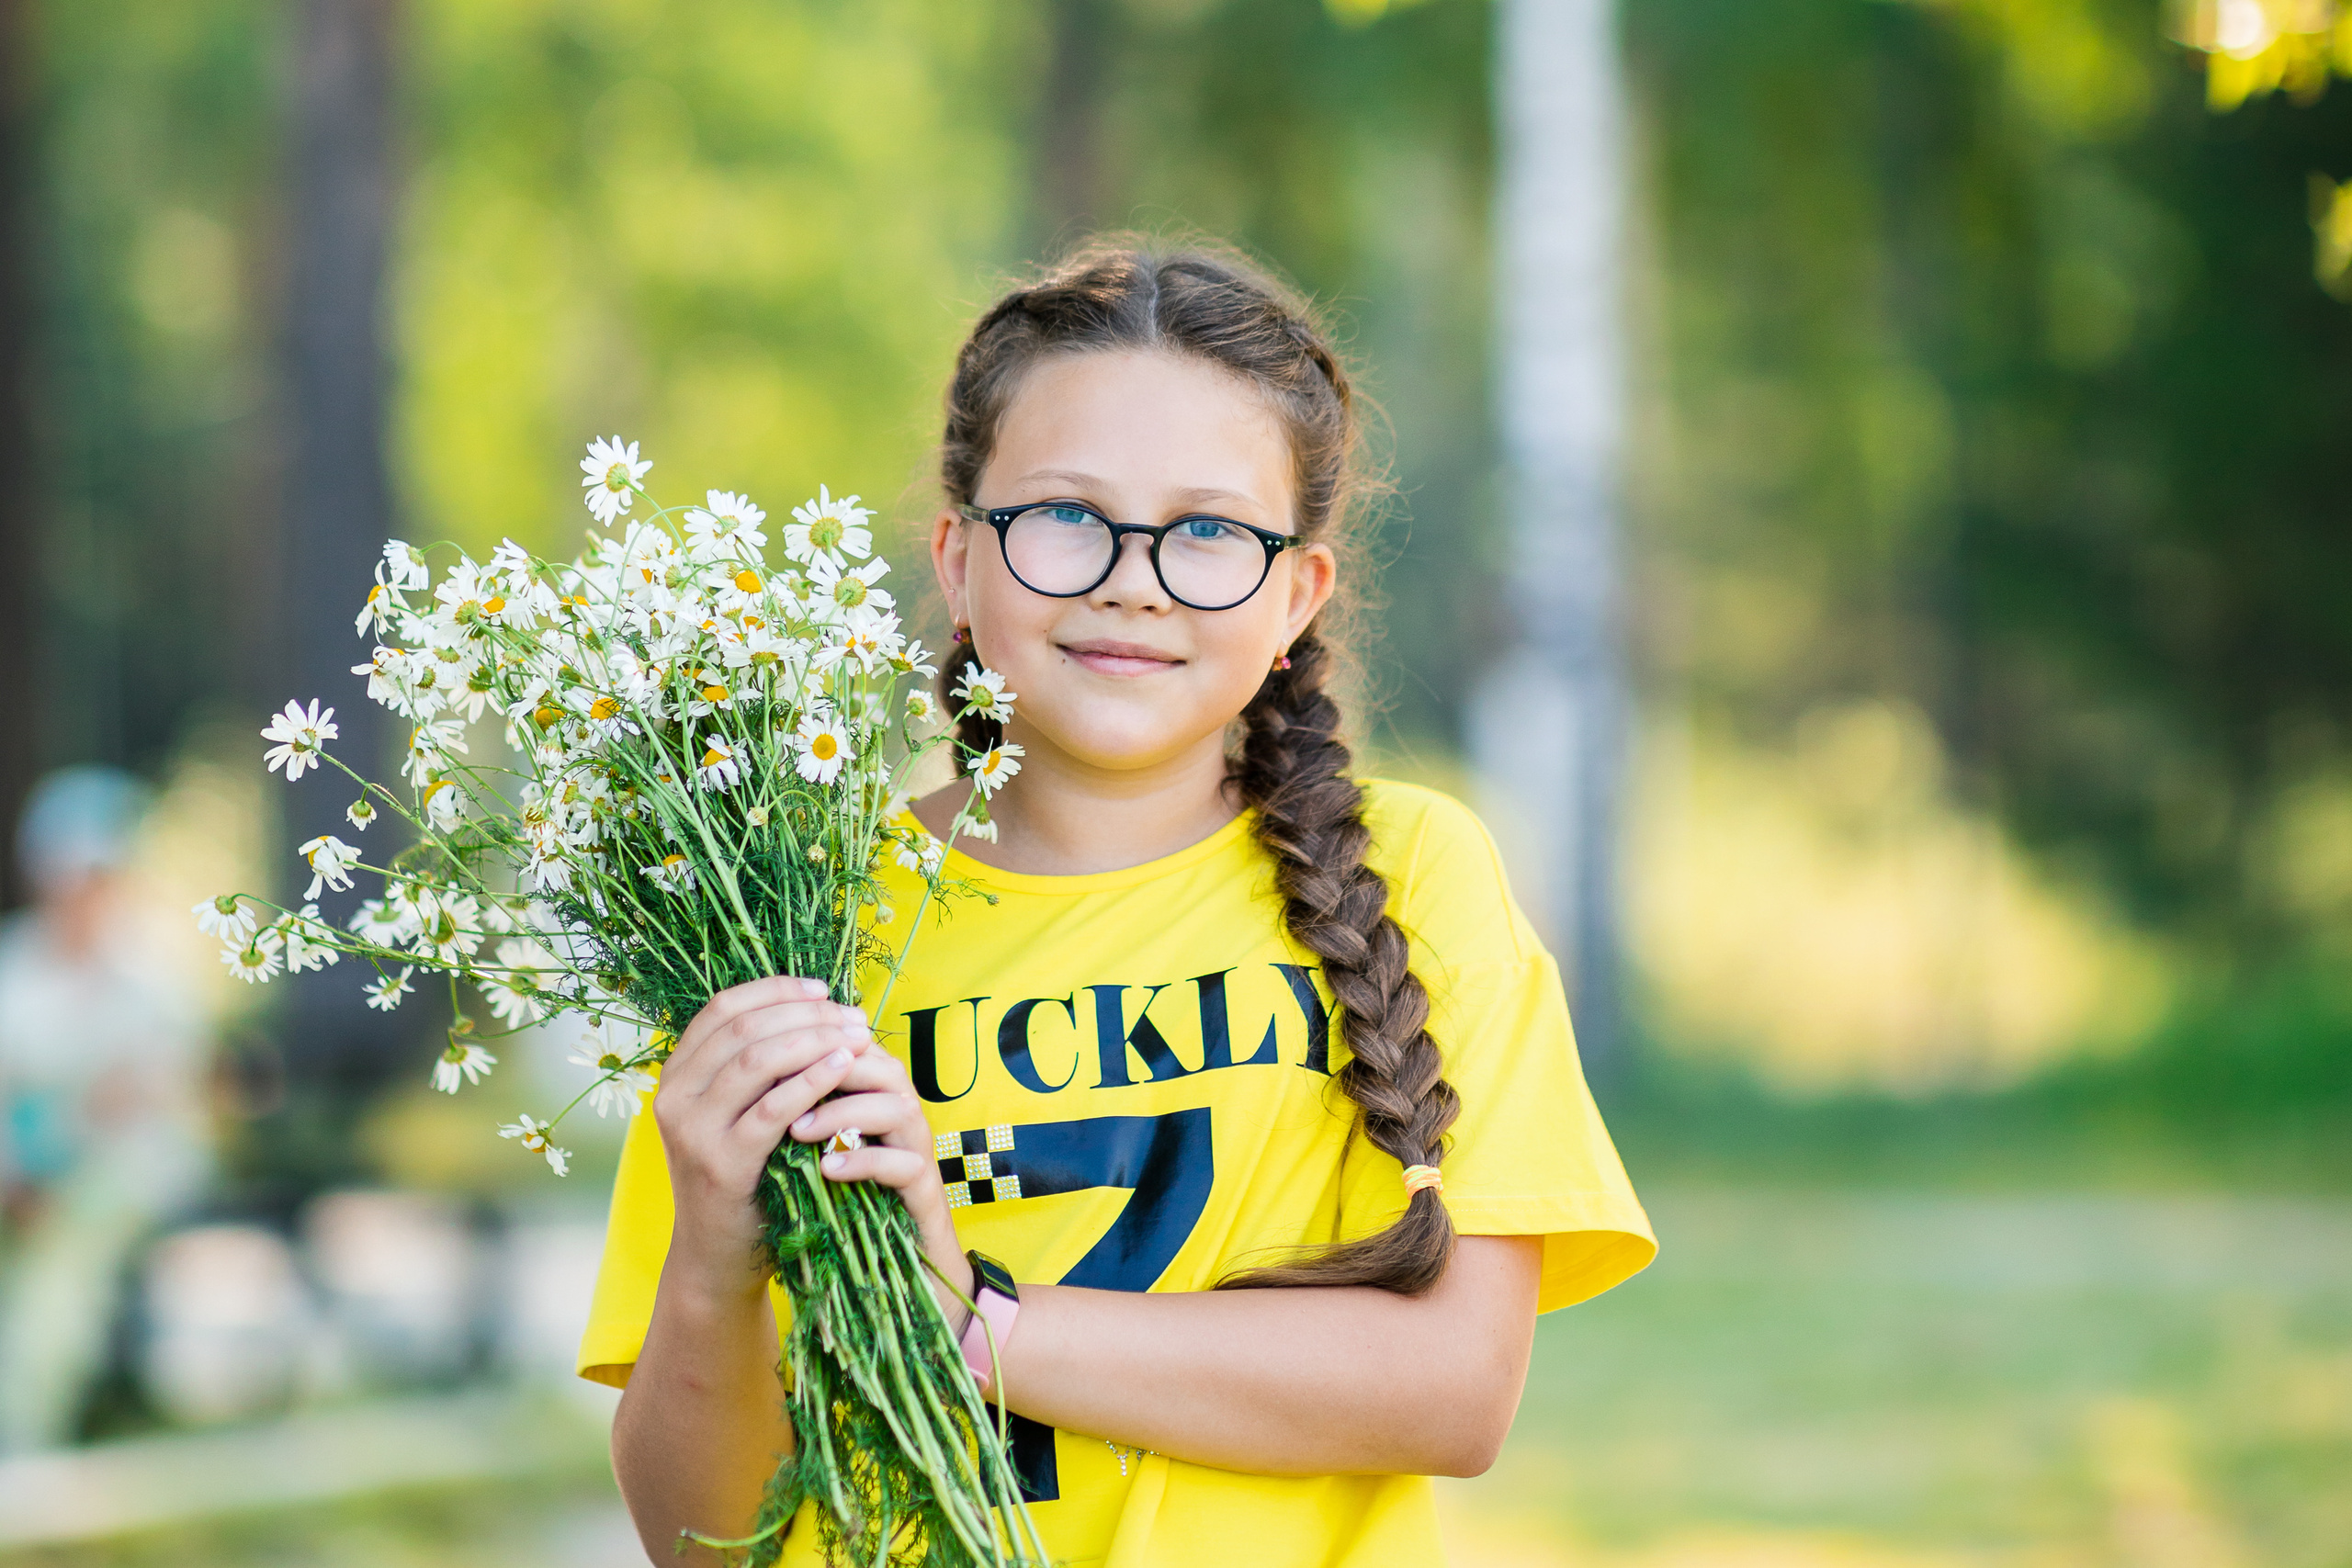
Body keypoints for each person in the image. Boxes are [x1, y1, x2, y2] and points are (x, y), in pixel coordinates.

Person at [580, 240, 1657, 1566]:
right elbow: (702, 1543)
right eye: (1065, 517)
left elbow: (1454, 1384)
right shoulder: (784, 921)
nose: (1131, 576)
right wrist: (711, 1251)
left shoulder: (1414, 873)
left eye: (1208, 529)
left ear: (1293, 596)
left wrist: (972, 1317)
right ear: (958, 560)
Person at [0, 765, 212, 1451]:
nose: (85, 892)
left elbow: (163, 1095)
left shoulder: (152, 977)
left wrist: (70, 1142)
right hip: (24, 1178)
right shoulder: (17, 967)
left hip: (118, 1175)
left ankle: (27, 1435)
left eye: (100, 874)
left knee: (57, 1278)